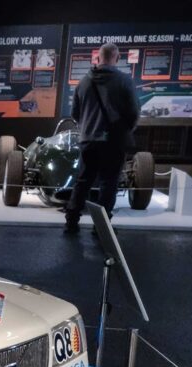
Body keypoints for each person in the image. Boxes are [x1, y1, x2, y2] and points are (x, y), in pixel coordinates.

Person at [64, 42, 140, 234]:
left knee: (82, 181)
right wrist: (124, 130)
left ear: (98, 57)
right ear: (116, 57)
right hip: (113, 143)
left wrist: (88, 127)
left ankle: (71, 222)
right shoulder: (124, 81)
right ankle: (101, 227)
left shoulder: (83, 82)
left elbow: (75, 113)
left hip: (88, 140)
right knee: (109, 183)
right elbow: (133, 112)